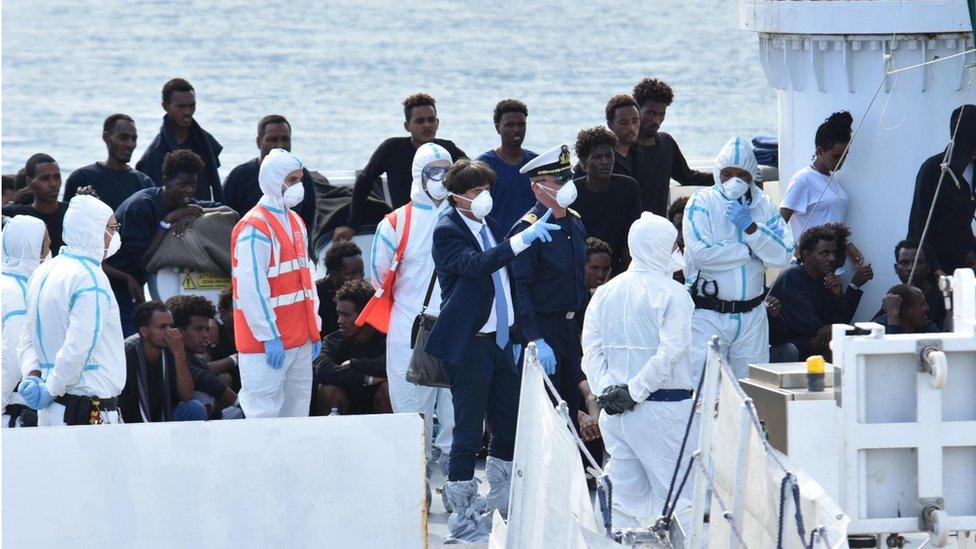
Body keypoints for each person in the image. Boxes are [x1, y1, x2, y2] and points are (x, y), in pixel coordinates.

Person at [427, 159, 561, 542]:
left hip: (502, 342)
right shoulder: (447, 230)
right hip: (469, 346)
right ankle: (462, 514)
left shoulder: (489, 225)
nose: (483, 198)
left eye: (486, 190)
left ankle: (502, 502)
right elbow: (478, 265)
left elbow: (506, 281)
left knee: (506, 424)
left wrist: (519, 334)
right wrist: (524, 239)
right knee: (468, 431)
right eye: (474, 193)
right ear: (456, 197)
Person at [582, 212, 697, 526]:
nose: (677, 251)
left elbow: (591, 350)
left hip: (616, 416)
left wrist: (609, 391)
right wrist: (634, 391)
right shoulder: (673, 294)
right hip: (664, 410)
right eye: (673, 244)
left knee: (622, 504)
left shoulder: (605, 292)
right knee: (679, 501)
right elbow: (672, 352)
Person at [366, 142, 456, 475]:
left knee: (454, 413)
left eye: (448, 171)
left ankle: (454, 483)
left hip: (454, 327)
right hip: (410, 331)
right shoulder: (395, 223)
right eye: (435, 172)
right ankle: (414, 482)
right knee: (410, 414)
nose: (442, 179)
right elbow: (378, 276)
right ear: (419, 175)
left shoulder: (462, 214)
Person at [683, 137, 795, 380]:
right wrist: (750, 249)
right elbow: (701, 254)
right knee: (704, 389)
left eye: (741, 175)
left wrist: (753, 228)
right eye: (727, 174)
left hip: (752, 317)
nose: (734, 181)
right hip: (708, 315)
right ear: (717, 173)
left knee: (751, 390)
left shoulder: (764, 205)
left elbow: (785, 253)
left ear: (751, 175)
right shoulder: (701, 202)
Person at [16, 195, 126, 426]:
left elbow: (27, 337)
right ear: (93, 229)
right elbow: (79, 345)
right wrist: (53, 387)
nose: (115, 235)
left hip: (50, 409)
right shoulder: (90, 278)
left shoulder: (45, 270)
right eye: (111, 228)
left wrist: (34, 376)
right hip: (86, 408)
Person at [231, 148, 321, 418]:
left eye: (300, 179)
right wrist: (269, 336)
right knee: (263, 417)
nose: (298, 186)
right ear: (273, 181)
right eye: (292, 180)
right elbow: (252, 289)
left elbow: (307, 282)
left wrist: (314, 329)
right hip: (266, 345)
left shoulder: (294, 220)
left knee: (297, 414)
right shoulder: (254, 228)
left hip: (299, 340)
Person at [510, 143, 588, 430]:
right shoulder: (527, 230)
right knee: (545, 415)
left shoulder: (575, 223)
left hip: (570, 331)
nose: (568, 184)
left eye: (568, 177)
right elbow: (521, 289)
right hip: (543, 330)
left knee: (571, 409)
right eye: (560, 179)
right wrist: (534, 339)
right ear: (538, 188)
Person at [106, 150, 223, 336]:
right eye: (183, 185)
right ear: (167, 180)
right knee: (130, 337)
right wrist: (167, 221)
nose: (189, 191)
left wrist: (194, 213)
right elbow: (143, 262)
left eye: (193, 185)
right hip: (115, 281)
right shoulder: (141, 207)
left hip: (138, 281)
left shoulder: (183, 202)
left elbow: (223, 210)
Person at [333, 93, 466, 241]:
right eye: (420, 121)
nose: (427, 125)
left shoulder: (448, 149)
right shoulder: (392, 149)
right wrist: (351, 224)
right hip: (405, 227)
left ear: (437, 122)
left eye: (431, 120)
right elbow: (365, 181)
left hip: (441, 223)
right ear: (407, 126)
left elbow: (472, 173)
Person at [768, 224, 871, 360]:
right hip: (784, 346)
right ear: (806, 255)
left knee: (854, 335)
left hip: (810, 344)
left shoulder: (824, 278)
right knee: (841, 339)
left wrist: (838, 297)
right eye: (824, 254)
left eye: (833, 253)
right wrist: (845, 331)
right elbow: (814, 328)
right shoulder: (793, 275)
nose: (832, 258)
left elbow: (838, 321)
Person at [780, 112, 865, 266]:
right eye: (836, 156)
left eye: (845, 156)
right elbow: (779, 221)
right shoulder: (802, 179)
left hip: (833, 265)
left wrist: (847, 245)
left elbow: (831, 221)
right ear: (819, 151)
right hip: (810, 268)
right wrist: (795, 248)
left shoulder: (832, 181)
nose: (841, 161)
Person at [908, 104, 976, 273]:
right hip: (936, 268)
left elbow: (962, 221)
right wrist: (934, 268)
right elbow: (919, 224)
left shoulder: (973, 169)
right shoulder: (932, 169)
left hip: (964, 266)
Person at [632, 78, 712, 217]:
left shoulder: (666, 143)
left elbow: (688, 177)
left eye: (661, 114)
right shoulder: (622, 150)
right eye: (650, 113)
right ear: (637, 109)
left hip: (659, 229)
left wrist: (725, 177)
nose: (656, 120)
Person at [221, 114, 317, 230]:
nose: (280, 145)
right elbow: (224, 220)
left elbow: (307, 224)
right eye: (273, 139)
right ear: (259, 142)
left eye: (285, 139)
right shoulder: (239, 177)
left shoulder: (302, 176)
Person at [119, 301, 209, 422]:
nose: (169, 332)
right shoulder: (126, 353)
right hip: (131, 424)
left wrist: (179, 354)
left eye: (171, 326)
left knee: (195, 408)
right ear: (144, 331)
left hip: (165, 418)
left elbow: (187, 396)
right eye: (162, 327)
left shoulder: (172, 346)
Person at [137, 78, 223, 201]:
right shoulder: (154, 155)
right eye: (181, 107)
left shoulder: (205, 142)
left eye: (191, 105)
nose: (187, 111)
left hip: (204, 210)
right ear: (165, 106)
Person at [313, 279, 391, 415]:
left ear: (366, 315)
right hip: (344, 406)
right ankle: (332, 435)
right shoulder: (333, 340)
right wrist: (367, 379)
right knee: (328, 389)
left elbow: (392, 364)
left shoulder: (387, 339)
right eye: (339, 314)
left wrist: (355, 364)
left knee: (388, 388)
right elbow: (322, 370)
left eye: (346, 315)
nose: (340, 321)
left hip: (376, 406)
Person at [570, 127, 642, 272]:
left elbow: (630, 239)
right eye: (596, 157)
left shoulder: (629, 188)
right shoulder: (572, 193)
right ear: (583, 164)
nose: (604, 162)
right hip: (579, 268)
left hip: (616, 267)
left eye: (608, 156)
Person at [2, 216, 49, 427]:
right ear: (34, 249)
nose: (50, 251)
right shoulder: (19, 294)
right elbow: (12, 359)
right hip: (10, 410)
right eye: (47, 245)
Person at [165, 295, 241, 418]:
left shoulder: (193, 359)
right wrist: (242, 404)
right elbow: (204, 378)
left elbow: (205, 372)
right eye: (199, 329)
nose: (206, 335)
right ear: (178, 332)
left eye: (206, 329)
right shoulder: (166, 355)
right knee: (195, 406)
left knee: (236, 413)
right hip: (158, 427)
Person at [63, 113, 154, 211]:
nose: (130, 144)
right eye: (123, 138)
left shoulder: (144, 183)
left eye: (134, 139)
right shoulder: (81, 178)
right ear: (106, 137)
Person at [477, 99, 538, 239]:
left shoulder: (536, 164)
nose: (516, 129)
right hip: (498, 244)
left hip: (533, 241)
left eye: (521, 124)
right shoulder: (483, 165)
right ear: (498, 128)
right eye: (510, 125)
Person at [2, 154, 68, 255]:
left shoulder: (70, 213)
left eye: (57, 177)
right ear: (29, 182)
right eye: (45, 178)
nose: (53, 183)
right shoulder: (13, 215)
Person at [884, 239, 947, 329]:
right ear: (896, 268)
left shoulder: (944, 300)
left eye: (918, 263)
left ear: (928, 268)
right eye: (904, 263)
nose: (910, 268)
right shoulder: (895, 296)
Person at [315, 241, 364, 338]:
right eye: (352, 274)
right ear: (334, 275)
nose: (360, 278)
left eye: (361, 271)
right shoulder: (315, 297)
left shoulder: (365, 293)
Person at [604, 94, 643, 180]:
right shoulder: (601, 158)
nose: (631, 128)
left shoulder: (640, 153)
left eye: (635, 121)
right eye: (624, 123)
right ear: (610, 125)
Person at [874, 284, 940, 334]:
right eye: (922, 304)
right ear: (907, 311)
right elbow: (893, 350)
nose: (927, 308)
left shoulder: (927, 325)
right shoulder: (875, 330)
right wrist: (893, 317)